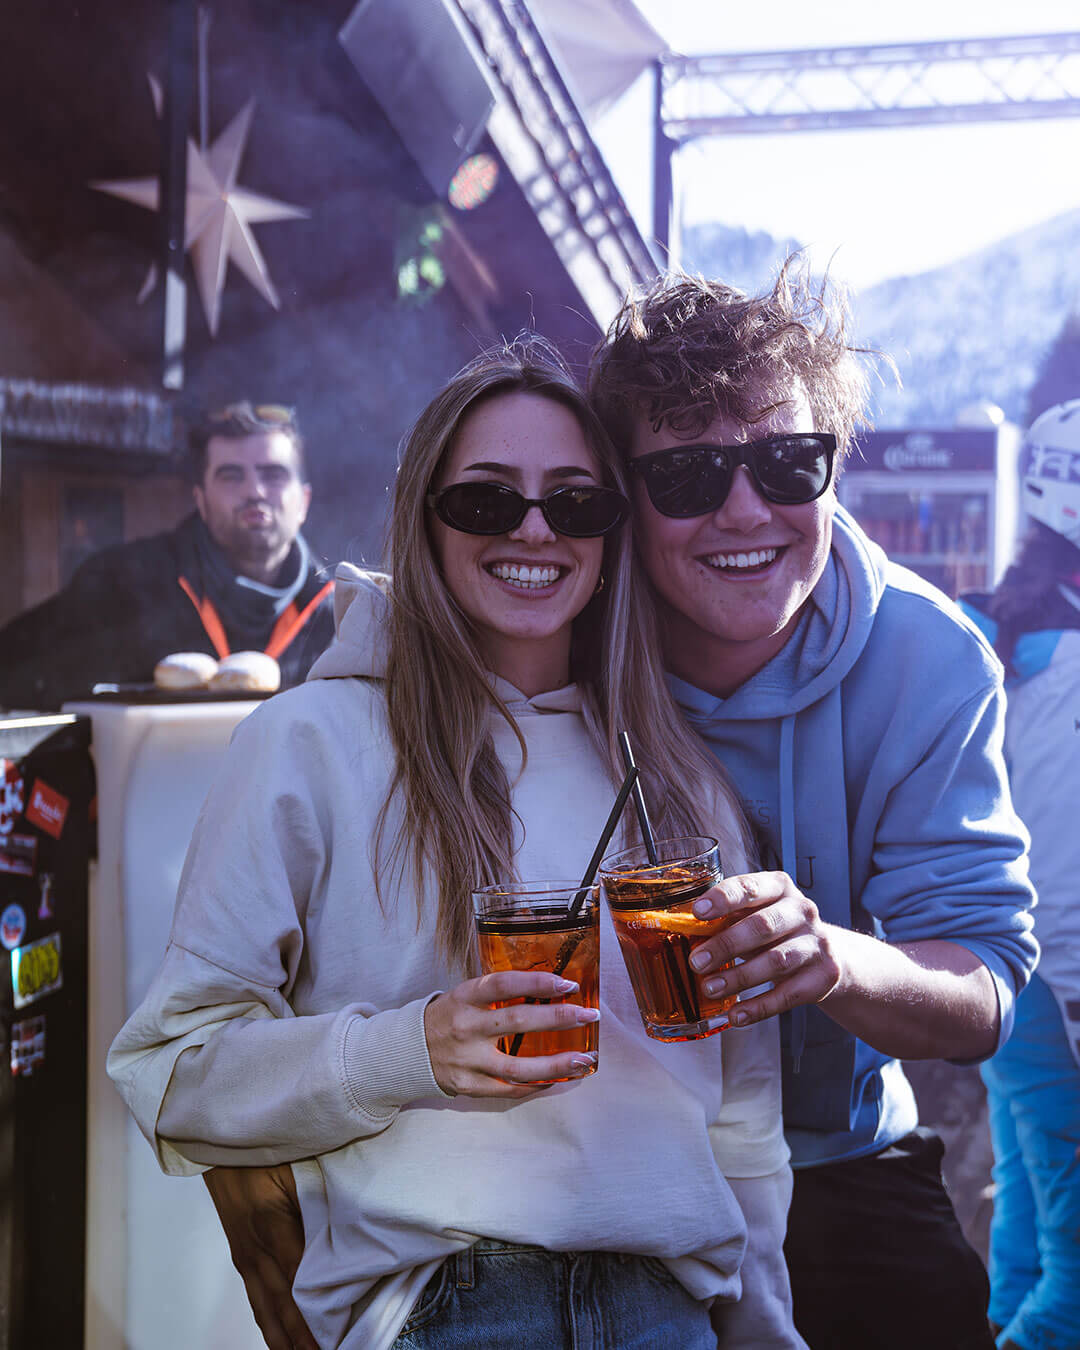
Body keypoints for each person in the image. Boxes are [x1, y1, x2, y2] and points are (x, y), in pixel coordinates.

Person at [107, 340, 803, 1350]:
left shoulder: (676, 774)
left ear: (609, 536)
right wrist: (408, 1049)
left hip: (674, 1312)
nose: (535, 529)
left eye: (575, 503)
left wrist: (765, 1330)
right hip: (455, 1309)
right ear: (422, 522)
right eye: (486, 500)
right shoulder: (311, 744)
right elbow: (169, 1078)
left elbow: (742, 1111)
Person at [584, 262, 1038, 1350]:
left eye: (790, 463)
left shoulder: (930, 657)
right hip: (591, 1174)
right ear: (622, 496)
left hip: (840, 1161)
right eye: (689, 475)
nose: (747, 510)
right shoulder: (562, 637)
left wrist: (830, 960)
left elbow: (984, 990)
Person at [960, 400, 1080, 1350]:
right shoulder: (1033, 643)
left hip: (1009, 956)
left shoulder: (993, 634)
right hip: (1063, 969)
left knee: (1033, 1222)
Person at [0, 402, 334, 708]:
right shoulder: (122, 584)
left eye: (273, 474)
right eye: (231, 476)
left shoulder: (337, 620)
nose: (254, 491)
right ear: (200, 501)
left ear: (303, 501)